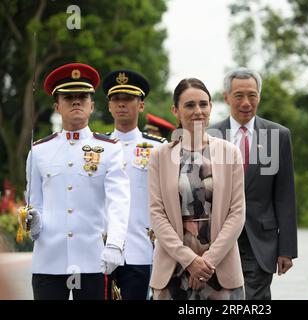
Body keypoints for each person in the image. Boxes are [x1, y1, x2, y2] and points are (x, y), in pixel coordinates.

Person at [25, 63, 130, 300]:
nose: (76, 102)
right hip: (49, 260)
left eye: (82, 97)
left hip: (93, 258)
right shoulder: (39, 151)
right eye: (68, 97)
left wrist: (115, 244)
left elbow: (119, 203)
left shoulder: (110, 150)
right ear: (56, 106)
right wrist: (34, 222)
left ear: (92, 105)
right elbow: (35, 204)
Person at [149, 78, 245, 300]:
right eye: (189, 105)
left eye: (203, 104)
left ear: (211, 107)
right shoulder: (160, 156)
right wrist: (189, 260)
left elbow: (237, 212)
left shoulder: (230, 153)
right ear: (176, 110)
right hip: (173, 269)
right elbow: (157, 214)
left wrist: (207, 262)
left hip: (220, 270)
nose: (198, 111)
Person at [208, 67, 297, 300]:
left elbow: (285, 195)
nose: (246, 102)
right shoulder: (210, 136)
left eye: (252, 95)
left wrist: (287, 249)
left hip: (260, 240)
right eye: (239, 96)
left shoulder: (278, 136)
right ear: (226, 97)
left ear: (259, 95)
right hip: (219, 240)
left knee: (254, 299)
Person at [102, 70, 167, 299]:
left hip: (142, 247)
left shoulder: (159, 147)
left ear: (140, 105)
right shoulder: (97, 148)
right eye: (116, 100)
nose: (122, 105)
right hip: (103, 247)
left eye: (128, 99)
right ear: (109, 106)